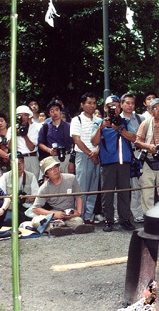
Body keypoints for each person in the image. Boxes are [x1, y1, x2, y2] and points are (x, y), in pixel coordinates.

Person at [91, 95, 137, 232]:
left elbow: (134, 138)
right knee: (107, 193)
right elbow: (94, 142)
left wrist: (120, 129)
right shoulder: (99, 122)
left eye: (116, 105)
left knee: (124, 192)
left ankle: (125, 219)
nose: (113, 108)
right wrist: (101, 127)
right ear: (105, 108)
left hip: (124, 162)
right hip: (107, 163)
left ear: (120, 107)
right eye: (110, 106)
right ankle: (108, 220)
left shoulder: (125, 121)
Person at [32, 156, 95, 236]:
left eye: (55, 167)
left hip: (69, 214)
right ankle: (57, 228)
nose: (55, 171)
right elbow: (35, 209)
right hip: (53, 216)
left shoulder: (71, 178)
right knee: (36, 221)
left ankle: (63, 228)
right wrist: (54, 214)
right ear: (47, 174)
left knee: (78, 221)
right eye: (51, 169)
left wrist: (78, 212)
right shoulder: (44, 188)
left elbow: (79, 196)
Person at [70, 92, 101, 224]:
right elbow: (77, 140)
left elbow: (102, 140)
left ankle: (89, 216)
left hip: (96, 156)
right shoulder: (77, 120)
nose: (92, 106)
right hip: (83, 156)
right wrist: (90, 154)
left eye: (94, 103)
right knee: (82, 187)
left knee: (93, 188)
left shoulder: (99, 120)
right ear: (82, 105)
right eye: (89, 103)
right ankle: (80, 216)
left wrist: (96, 153)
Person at [119, 93, 145, 223]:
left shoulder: (141, 118)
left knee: (137, 186)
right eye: (127, 103)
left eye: (132, 103)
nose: (130, 106)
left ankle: (137, 213)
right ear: (121, 104)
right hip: (122, 156)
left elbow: (145, 135)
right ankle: (118, 215)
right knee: (120, 186)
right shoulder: (117, 119)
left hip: (138, 154)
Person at [0, 152, 39, 225]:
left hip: (26, 208)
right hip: (11, 208)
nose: (19, 165)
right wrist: (12, 197)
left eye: (21, 162)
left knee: (38, 219)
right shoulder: (4, 177)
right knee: (9, 220)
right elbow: (1, 197)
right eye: (16, 163)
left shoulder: (31, 176)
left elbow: (37, 195)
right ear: (11, 164)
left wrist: (28, 198)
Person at [38, 101, 74, 174]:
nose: (55, 113)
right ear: (49, 114)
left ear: (61, 112)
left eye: (57, 110)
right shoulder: (45, 127)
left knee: (68, 182)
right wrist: (49, 150)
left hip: (67, 157)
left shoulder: (69, 126)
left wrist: (72, 161)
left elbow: (74, 144)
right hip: (52, 159)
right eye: (52, 111)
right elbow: (40, 143)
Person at [13, 105, 41, 177]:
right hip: (19, 159)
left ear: (29, 116)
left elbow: (31, 147)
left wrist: (24, 135)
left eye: (25, 115)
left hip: (32, 157)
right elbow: (10, 147)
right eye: (20, 115)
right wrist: (14, 134)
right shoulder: (12, 128)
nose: (23, 117)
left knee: (34, 182)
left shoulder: (34, 128)